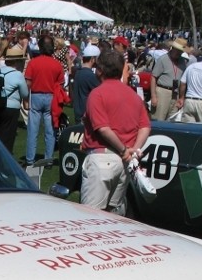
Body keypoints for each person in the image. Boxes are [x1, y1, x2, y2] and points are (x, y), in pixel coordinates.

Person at [80, 49, 151, 215]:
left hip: (102, 158)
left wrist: (124, 150)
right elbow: (145, 126)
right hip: (124, 163)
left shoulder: (97, 94)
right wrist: (134, 150)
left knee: (90, 216)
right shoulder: (133, 95)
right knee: (114, 216)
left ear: (100, 70)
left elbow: (103, 129)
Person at [23, 33, 64, 164]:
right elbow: (61, 85)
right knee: (50, 131)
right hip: (51, 98)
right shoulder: (57, 65)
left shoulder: (33, 63)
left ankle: (30, 159)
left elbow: (28, 83)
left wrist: (25, 99)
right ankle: (48, 159)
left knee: (33, 130)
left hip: (35, 95)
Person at [0, 44, 29, 153]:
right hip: (10, 108)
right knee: (7, 137)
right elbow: (25, 94)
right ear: (17, 62)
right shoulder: (18, 75)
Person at [149, 38, 189, 121]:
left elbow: (183, 81)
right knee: (159, 118)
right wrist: (153, 96)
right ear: (172, 48)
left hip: (175, 93)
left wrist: (181, 97)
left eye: (180, 51)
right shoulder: (163, 59)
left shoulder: (182, 61)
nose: (178, 53)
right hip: (162, 91)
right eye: (177, 50)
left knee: (172, 119)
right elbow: (153, 77)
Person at [71, 43, 101, 124]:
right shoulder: (89, 75)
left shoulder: (78, 72)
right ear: (93, 59)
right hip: (85, 114)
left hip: (78, 112)